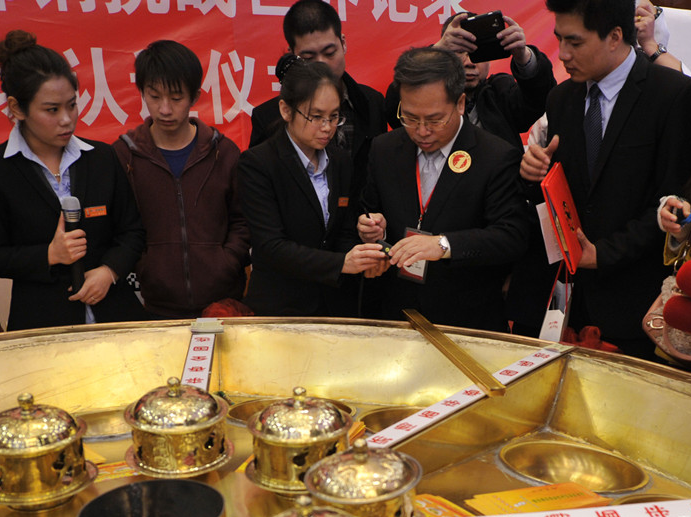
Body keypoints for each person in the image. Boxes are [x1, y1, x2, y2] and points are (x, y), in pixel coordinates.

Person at [517, 0, 691, 359]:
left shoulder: (672, 94)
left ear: (615, 36)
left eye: (576, 42)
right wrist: (533, 174)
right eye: (559, 40)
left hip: (638, 307)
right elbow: (563, 190)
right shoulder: (561, 98)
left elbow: (675, 202)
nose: (564, 54)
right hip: (567, 302)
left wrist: (604, 254)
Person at [0, 30, 145, 331]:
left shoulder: (101, 156)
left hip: (117, 317)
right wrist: (49, 255)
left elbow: (133, 231)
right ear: (16, 108)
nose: (67, 119)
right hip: (43, 322)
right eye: (52, 109)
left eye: (72, 105)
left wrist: (109, 271)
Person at [359, 47, 529, 331]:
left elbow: (512, 236)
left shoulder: (495, 156)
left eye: (435, 119)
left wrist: (443, 245)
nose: (422, 131)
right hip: (395, 316)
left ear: (460, 103)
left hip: (465, 319)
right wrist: (372, 229)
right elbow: (369, 208)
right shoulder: (385, 148)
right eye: (410, 118)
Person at [113, 41, 249, 319]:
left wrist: (226, 261)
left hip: (222, 304)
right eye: (154, 97)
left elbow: (243, 221)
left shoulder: (223, 152)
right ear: (142, 93)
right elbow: (120, 225)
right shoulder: (124, 155)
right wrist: (145, 265)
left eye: (176, 98)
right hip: (154, 305)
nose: (164, 109)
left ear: (195, 96)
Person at [238, 55, 384, 316]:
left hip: (335, 305)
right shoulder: (258, 163)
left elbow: (344, 228)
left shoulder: (339, 159)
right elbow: (271, 247)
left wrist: (365, 248)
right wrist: (341, 263)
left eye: (334, 116)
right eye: (316, 117)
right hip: (281, 308)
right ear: (286, 110)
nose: (327, 128)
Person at [249, 0, 385, 198]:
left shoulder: (372, 103)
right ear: (292, 55)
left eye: (330, 53)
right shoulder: (268, 116)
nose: (321, 64)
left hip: (361, 223)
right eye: (308, 57)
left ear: (344, 43)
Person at [385, 11, 556, 156]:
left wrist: (524, 57)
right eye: (459, 52)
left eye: (477, 53)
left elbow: (540, 100)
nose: (469, 62)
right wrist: (436, 53)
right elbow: (394, 109)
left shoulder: (500, 91)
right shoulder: (429, 99)